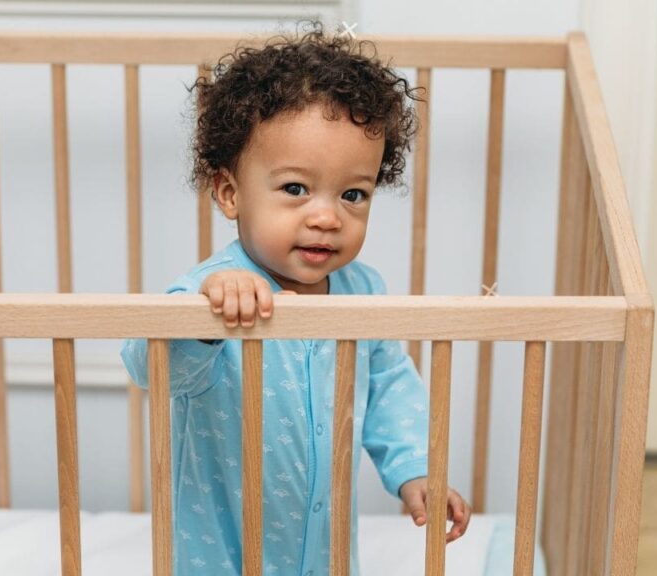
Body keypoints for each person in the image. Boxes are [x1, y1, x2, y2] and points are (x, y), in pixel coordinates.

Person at [120, 19, 471, 575]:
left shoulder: (363, 293)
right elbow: (149, 365)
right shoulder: (211, 291)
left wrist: (416, 471)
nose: (327, 216)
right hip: (220, 549)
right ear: (230, 192)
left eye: (353, 193)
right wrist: (205, 317)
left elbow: (388, 390)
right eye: (295, 189)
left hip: (324, 547)